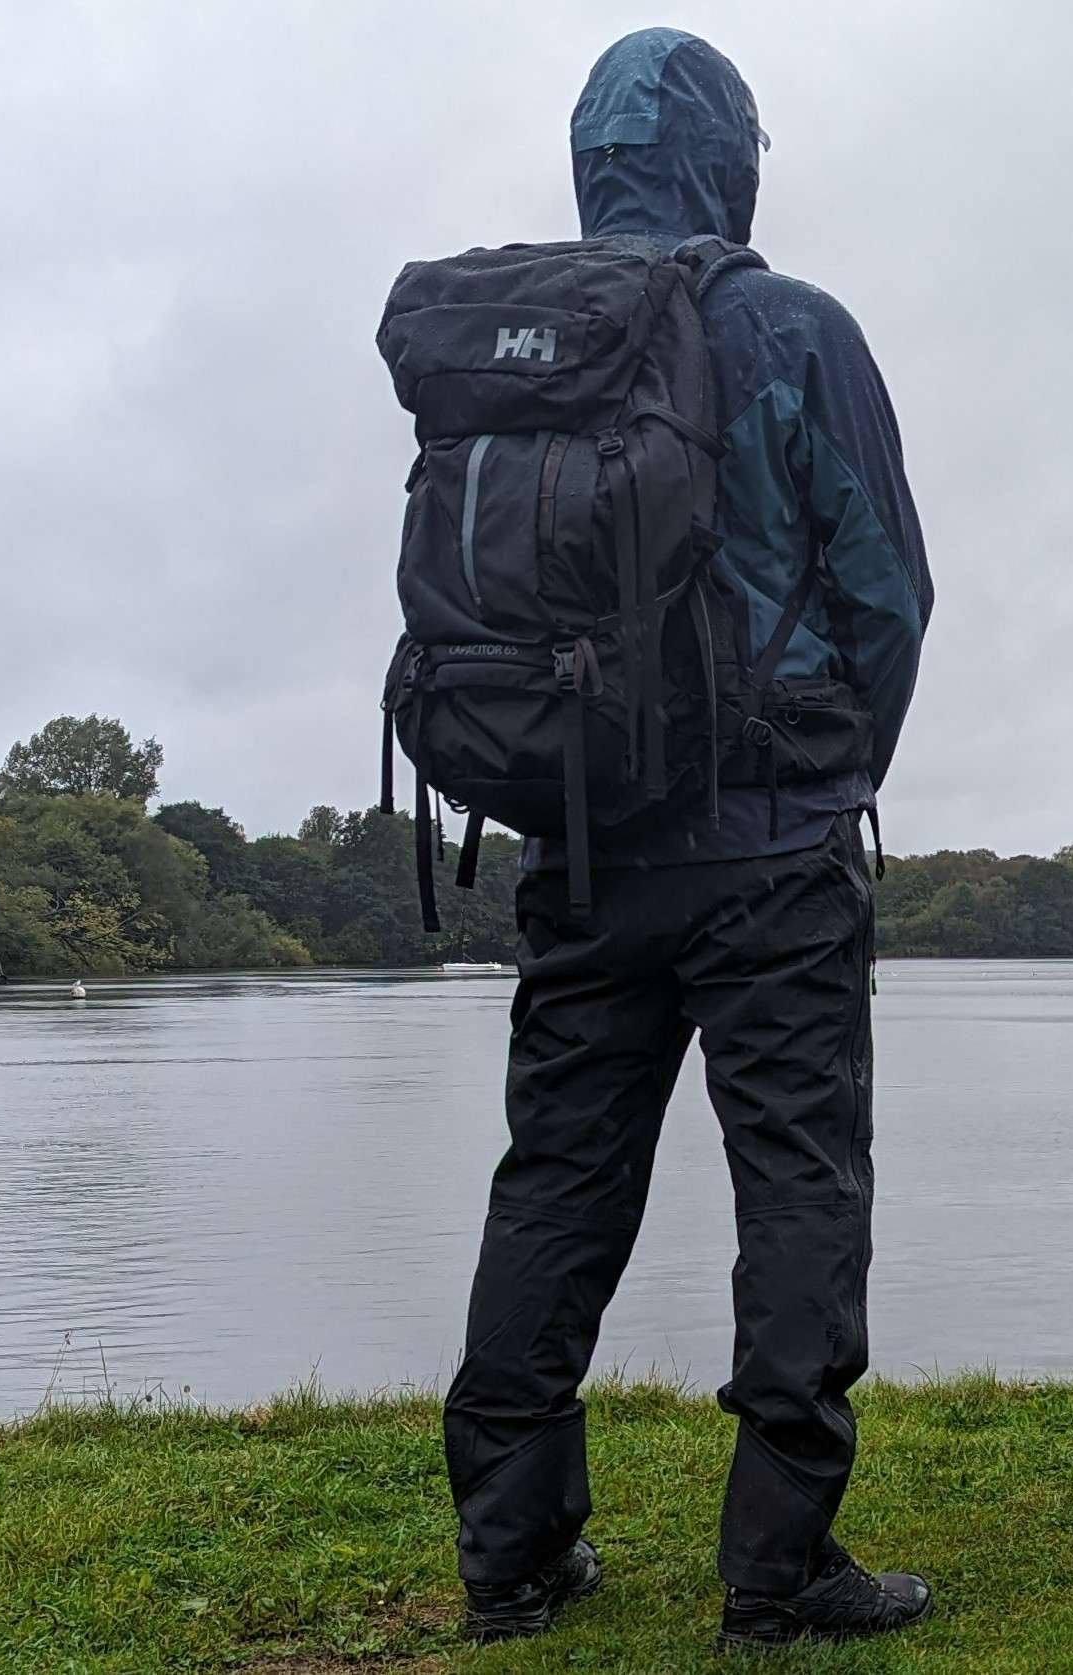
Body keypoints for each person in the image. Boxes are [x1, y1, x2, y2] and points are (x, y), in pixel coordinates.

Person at [441, 26, 935, 1651]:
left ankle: (515, 1559)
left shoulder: (528, 348)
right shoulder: (792, 329)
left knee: (556, 1189)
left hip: (578, 836)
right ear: (730, 154)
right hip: (774, 845)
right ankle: (776, 1571)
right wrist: (841, 772)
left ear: (593, 161)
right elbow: (886, 596)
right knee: (798, 1192)